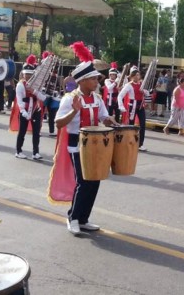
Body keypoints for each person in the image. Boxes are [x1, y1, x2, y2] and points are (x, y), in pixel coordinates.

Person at [53, 41, 117, 235]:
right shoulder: (70, 98)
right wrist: (74, 111)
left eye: (97, 79)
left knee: (95, 181)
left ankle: (84, 218)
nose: (97, 82)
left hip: (96, 146)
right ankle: (72, 217)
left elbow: (103, 117)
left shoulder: (97, 98)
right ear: (82, 81)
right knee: (83, 182)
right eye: (93, 79)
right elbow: (58, 123)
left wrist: (109, 120)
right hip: (77, 145)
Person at [13, 55, 47, 159]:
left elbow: (43, 98)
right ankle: (18, 151)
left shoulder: (37, 84)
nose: (28, 76)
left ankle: (35, 152)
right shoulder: (20, 85)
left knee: (36, 132)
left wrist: (35, 91)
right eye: (26, 74)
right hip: (25, 109)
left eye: (30, 74)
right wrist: (23, 111)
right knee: (22, 131)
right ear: (23, 74)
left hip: (36, 110)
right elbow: (19, 100)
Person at [118, 67, 148, 151]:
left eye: (138, 75)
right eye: (136, 75)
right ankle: (128, 141)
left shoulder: (142, 84)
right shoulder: (128, 85)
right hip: (133, 106)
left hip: (141, 106)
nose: (137, 76)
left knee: (142, 124)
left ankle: (140, 144)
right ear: (132, 76)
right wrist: (121, 106)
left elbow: (148, 93)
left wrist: (145, 92)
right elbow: (120, 96)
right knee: (131, 125)